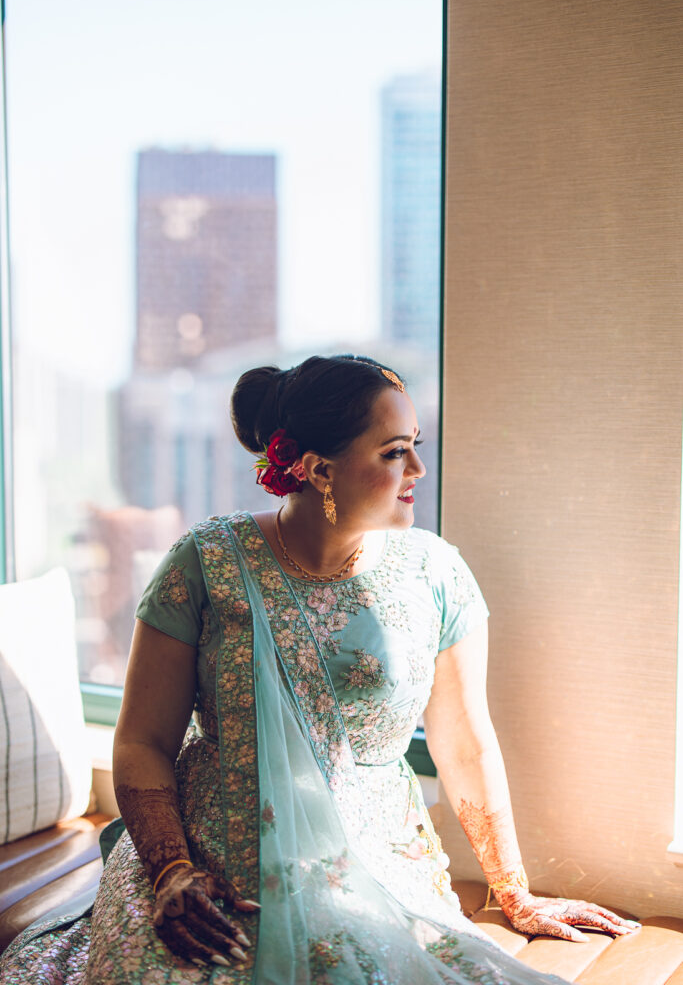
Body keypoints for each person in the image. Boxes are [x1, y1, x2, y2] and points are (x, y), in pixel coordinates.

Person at [0, 354, 638, 985]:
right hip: (211, 857)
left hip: (371, 859)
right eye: (393, 452)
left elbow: (465, 743)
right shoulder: (207, 562)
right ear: (317, 469)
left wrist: (515, 893)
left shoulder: (437, 575)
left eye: (415, 446)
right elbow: (142, 741)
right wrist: (171, 871)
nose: (417, 468)